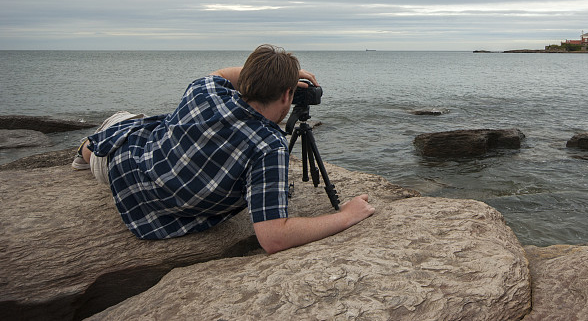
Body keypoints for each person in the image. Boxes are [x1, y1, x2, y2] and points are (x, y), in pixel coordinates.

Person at [74, 44, 374, 253]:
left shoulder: (205, 90)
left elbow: (220, 73)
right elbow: (273, 239)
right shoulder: (269, 146)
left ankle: (84, 151)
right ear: (288, 95)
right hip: (163, 216)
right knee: (124, 124)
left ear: (247, 79)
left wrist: (266, 73)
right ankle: (85, 149)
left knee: (124, 128)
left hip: (126, 171)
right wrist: (347, 215)